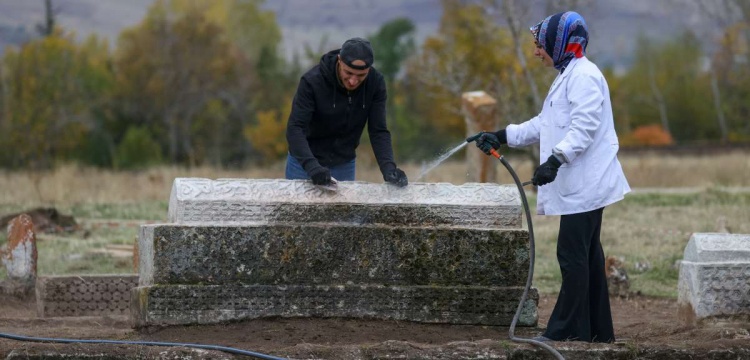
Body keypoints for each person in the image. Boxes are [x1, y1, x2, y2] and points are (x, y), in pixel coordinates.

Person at [469, 11, 630, 343]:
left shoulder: (584, 76)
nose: (536, 51)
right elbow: (544, 124)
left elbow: (583, 128)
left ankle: (562, 332)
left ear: (559, 44)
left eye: (540, 45)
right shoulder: (570, 73)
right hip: (582, 185)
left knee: (572, 257)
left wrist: (556, 159)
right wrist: (501, 135)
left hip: (587, 184)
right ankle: (596, 332)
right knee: (586, 256)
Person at [285, 37, 408, 187]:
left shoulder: (376, 83)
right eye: (348, 73)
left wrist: (389, 168)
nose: (353, 81)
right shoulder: (312, 82)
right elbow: (295, 128)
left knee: (342, 211)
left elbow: (378, 131)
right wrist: (312, 167)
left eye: (361, 75)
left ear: (369, 69)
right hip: (304, 164)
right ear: (339, 61)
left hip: (344, 164)